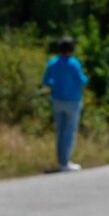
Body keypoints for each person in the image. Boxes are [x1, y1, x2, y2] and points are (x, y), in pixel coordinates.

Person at [41, 35, 88, 172]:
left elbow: (46, 80)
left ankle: (60, 160)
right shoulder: (74, 63)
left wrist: (55, 86)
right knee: (69, 132)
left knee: (60, 131)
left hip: (57, 100)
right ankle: (65, 162)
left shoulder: (53, 62)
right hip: (73, 101)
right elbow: (82, 81)